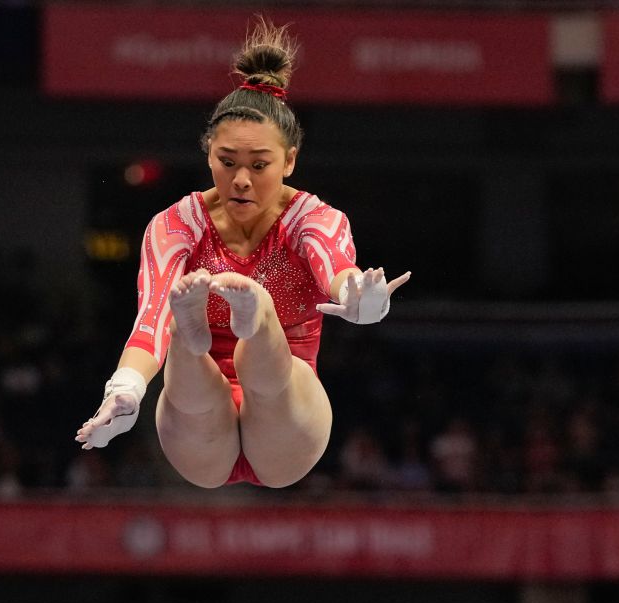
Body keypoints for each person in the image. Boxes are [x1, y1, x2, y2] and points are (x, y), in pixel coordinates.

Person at [74, 20, 410, 488]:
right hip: (199, 432)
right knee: (187, 364)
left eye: (259, 164)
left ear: (290, 159)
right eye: (227, 162)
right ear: (208, 153)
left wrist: (360, 297)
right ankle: (195, 341)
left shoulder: (312, 219)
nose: (242, 180)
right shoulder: (175, 225)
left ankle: (255, 321)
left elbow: (337, 270)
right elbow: (150, 319)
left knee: (265, 363)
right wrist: (126, 391)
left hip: (286, 412)